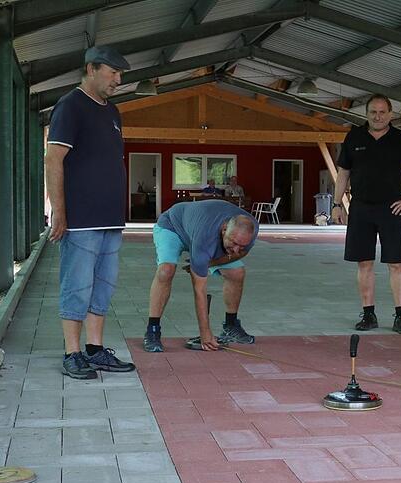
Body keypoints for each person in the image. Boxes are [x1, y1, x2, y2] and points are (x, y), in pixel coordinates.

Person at [45, 45, 136, 379]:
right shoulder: (71, 106)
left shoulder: (112, 112)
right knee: (77, 286)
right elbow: (53, 159)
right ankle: (72, 353)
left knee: (103, 286)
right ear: (92, 68)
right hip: (82, 220)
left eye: (120, 74)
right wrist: (59, 212)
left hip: (111, 218)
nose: (118, 79)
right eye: (113, 73)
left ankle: (96, 351)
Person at [331, 94, 401, 334]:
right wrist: (337, 204)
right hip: (360, 207)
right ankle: (368, 315)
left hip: (391, 208)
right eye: (373, 112)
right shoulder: (354, 137)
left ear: (391, 114)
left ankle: (400, 317)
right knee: (364, 263)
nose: (377, 116)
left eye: (382, 112)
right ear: (366, 114)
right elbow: (343, 173)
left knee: (396, 264)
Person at [143, 200, 260, 352]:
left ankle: (231, 325)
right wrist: (205, 333)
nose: (237, 249)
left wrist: (209, 263)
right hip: (172, 226)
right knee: (166, 270)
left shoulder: (250, 229)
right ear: (224, 230)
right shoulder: (206, 236)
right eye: (234, 243)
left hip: (198, 229)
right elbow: (199, 289)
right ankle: (152, 330)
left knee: (236, 272)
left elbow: (243, 252)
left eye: (241, 245)